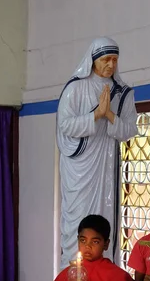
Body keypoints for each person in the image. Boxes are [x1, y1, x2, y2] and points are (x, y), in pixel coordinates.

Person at [57, 37, 138, 269]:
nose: (110, 65)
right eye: (105, 59)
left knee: (104, 214)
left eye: (114, 60)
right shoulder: (75, 88)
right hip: (79, 166)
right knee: (78, 216)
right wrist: (95, 115)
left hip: (105, 161)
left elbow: (130, 130)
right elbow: (65, 125)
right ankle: (72, 274)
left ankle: (102, 274)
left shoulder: (123, 93)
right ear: (92, 60)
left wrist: (109, 114)